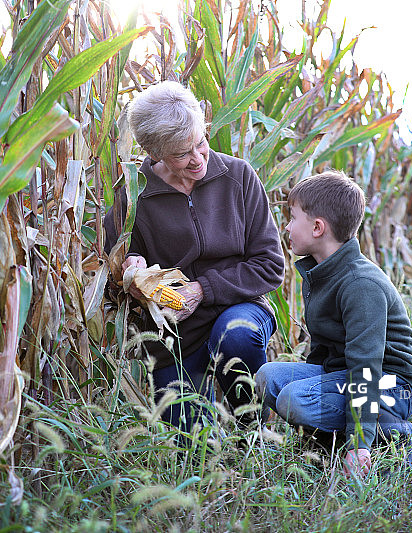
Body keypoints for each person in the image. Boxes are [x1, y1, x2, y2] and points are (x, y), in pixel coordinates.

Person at [103, 81, 284, 433]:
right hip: (174, 334)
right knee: (193, 447)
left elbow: (270, 265)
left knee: (237, 335)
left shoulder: (239, 177)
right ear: (154, 152)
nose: (198, 158)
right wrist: (131, 271)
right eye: (182, 153)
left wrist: (201, 289)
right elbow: (115, 268)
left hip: (239, 309)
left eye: (201, 143)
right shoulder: (132, 195)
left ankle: (253, 431)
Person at [255, 170, 412, 476]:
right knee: (270, 376)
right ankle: (327, 444)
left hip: (390, 385)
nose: (287, 227)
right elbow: (323, 349)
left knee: (294, 399)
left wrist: (359, 444)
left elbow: (366, 367)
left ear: (318, 227)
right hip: (342, 374)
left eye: (293, 218)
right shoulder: (321, 272)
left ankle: (396, 434)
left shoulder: (361, 285)